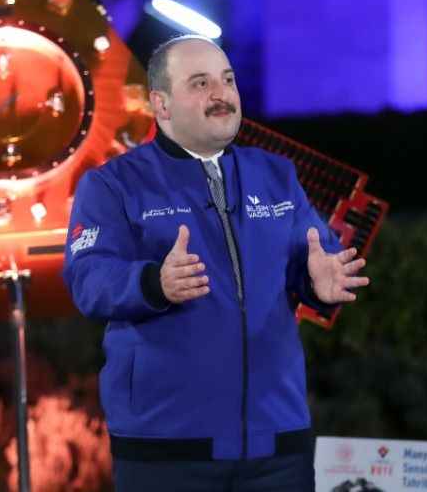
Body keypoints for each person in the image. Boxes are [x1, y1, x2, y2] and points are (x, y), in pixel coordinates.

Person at [63, 34, 369, 492]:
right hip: (167, 451)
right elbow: (87, 278)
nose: (221, 94)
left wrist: (315, 279)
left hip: (278, 444)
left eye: (227, 80)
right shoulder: (113, 186)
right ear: (161, 105)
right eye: (200, 83)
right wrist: (153, 284)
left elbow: (314, 252)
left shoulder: (275, 174)